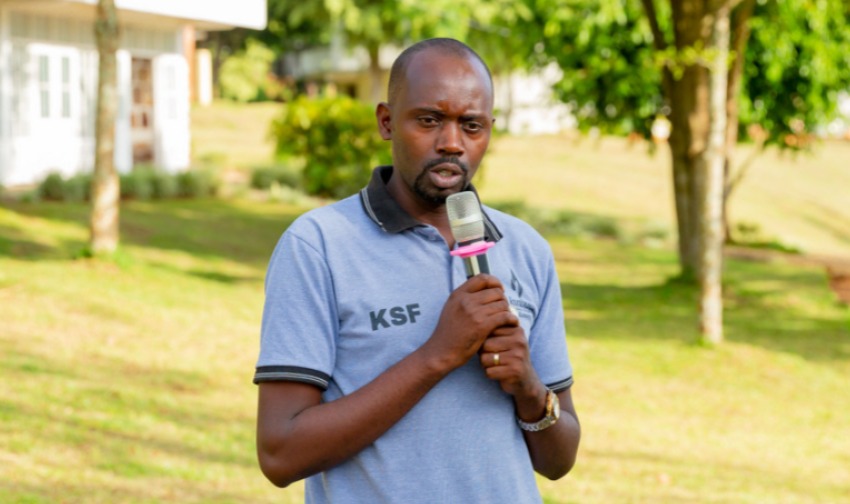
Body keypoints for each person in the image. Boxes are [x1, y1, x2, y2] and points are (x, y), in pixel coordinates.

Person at [254, 38, 580, 503]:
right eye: (429, 120)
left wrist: (529, 388)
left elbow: (559, 460)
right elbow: (280, 453)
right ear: (387, 122)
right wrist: (438, 355)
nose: (452, 143)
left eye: (471, 125)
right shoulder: (318, 245)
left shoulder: (527, 248)